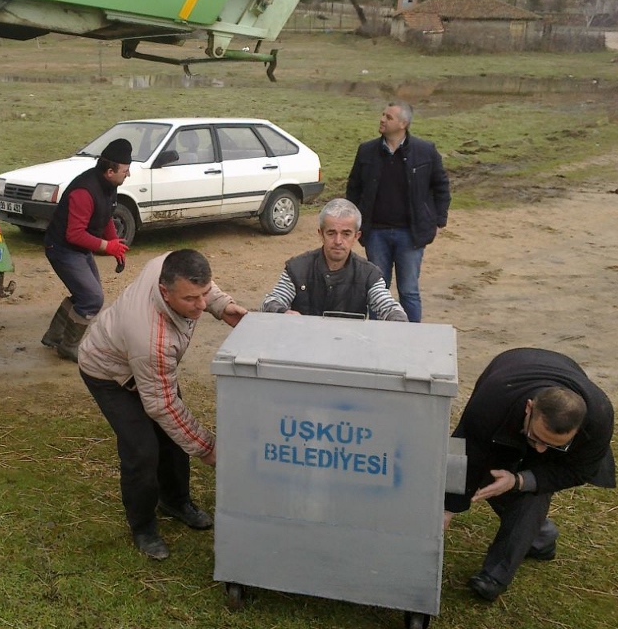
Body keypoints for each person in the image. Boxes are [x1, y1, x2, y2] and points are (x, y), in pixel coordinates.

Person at [77, 249, 248, 560]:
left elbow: (201, 287)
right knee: (142, 450)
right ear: (164, 292)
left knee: (173, 439)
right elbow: (162, 406)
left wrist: (222, 305)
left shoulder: (169, 264)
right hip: (109, 374)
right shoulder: (152, 337)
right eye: (190, 300)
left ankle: (175, 500)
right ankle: (143, 526)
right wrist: (207, 447)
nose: (199, 306)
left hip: (148, 370)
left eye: (204, 295)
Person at [443, 348, 615, 602]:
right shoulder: (492, 402)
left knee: (532, 491)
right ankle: (540, 537)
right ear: (528, 408)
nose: (541, 449)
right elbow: (468, 453)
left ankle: (495, 575)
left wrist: (520, 479)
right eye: (537, 438)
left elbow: (579, 470)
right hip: (507, 375)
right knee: (490, 473)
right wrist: (449, 507)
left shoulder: (599, 417)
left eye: (555, 445)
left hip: (555, 378)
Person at [346, 101, 451, 322]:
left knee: (409, 291)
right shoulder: (366, 150)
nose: (382, 119)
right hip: (375, 234)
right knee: (377, 290)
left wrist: (438, 221)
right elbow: (354, 188)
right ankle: (376, 339)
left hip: (410, 235)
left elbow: (441, 186)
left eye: (389, 117)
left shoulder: (425, 151)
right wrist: (355, 223)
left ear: (404, 123)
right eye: (382, 114)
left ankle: (411, 339)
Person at [42, 138, 132, 361]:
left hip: (77, 249)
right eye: (125, 170)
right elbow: (75, 234)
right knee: (92, 298)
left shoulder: (109, 186)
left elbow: (106, 217)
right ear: (110, 171)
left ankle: (54, 336)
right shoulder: (84, 191)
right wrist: (106, 246)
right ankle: (68, 346)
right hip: (62, 248)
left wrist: (115, 245)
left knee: (86, 295)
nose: (127, 174)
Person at [260, 198, 407, 321]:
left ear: (357, 236)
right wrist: (283, 312)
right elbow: (270, 302)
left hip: (350, 347)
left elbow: (388, 306)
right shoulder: (297, 268)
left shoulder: (369, 274)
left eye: (346, 234)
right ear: (320, 234)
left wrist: (396, 318)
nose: (338, 241)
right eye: (331, 233)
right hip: (303, 345)